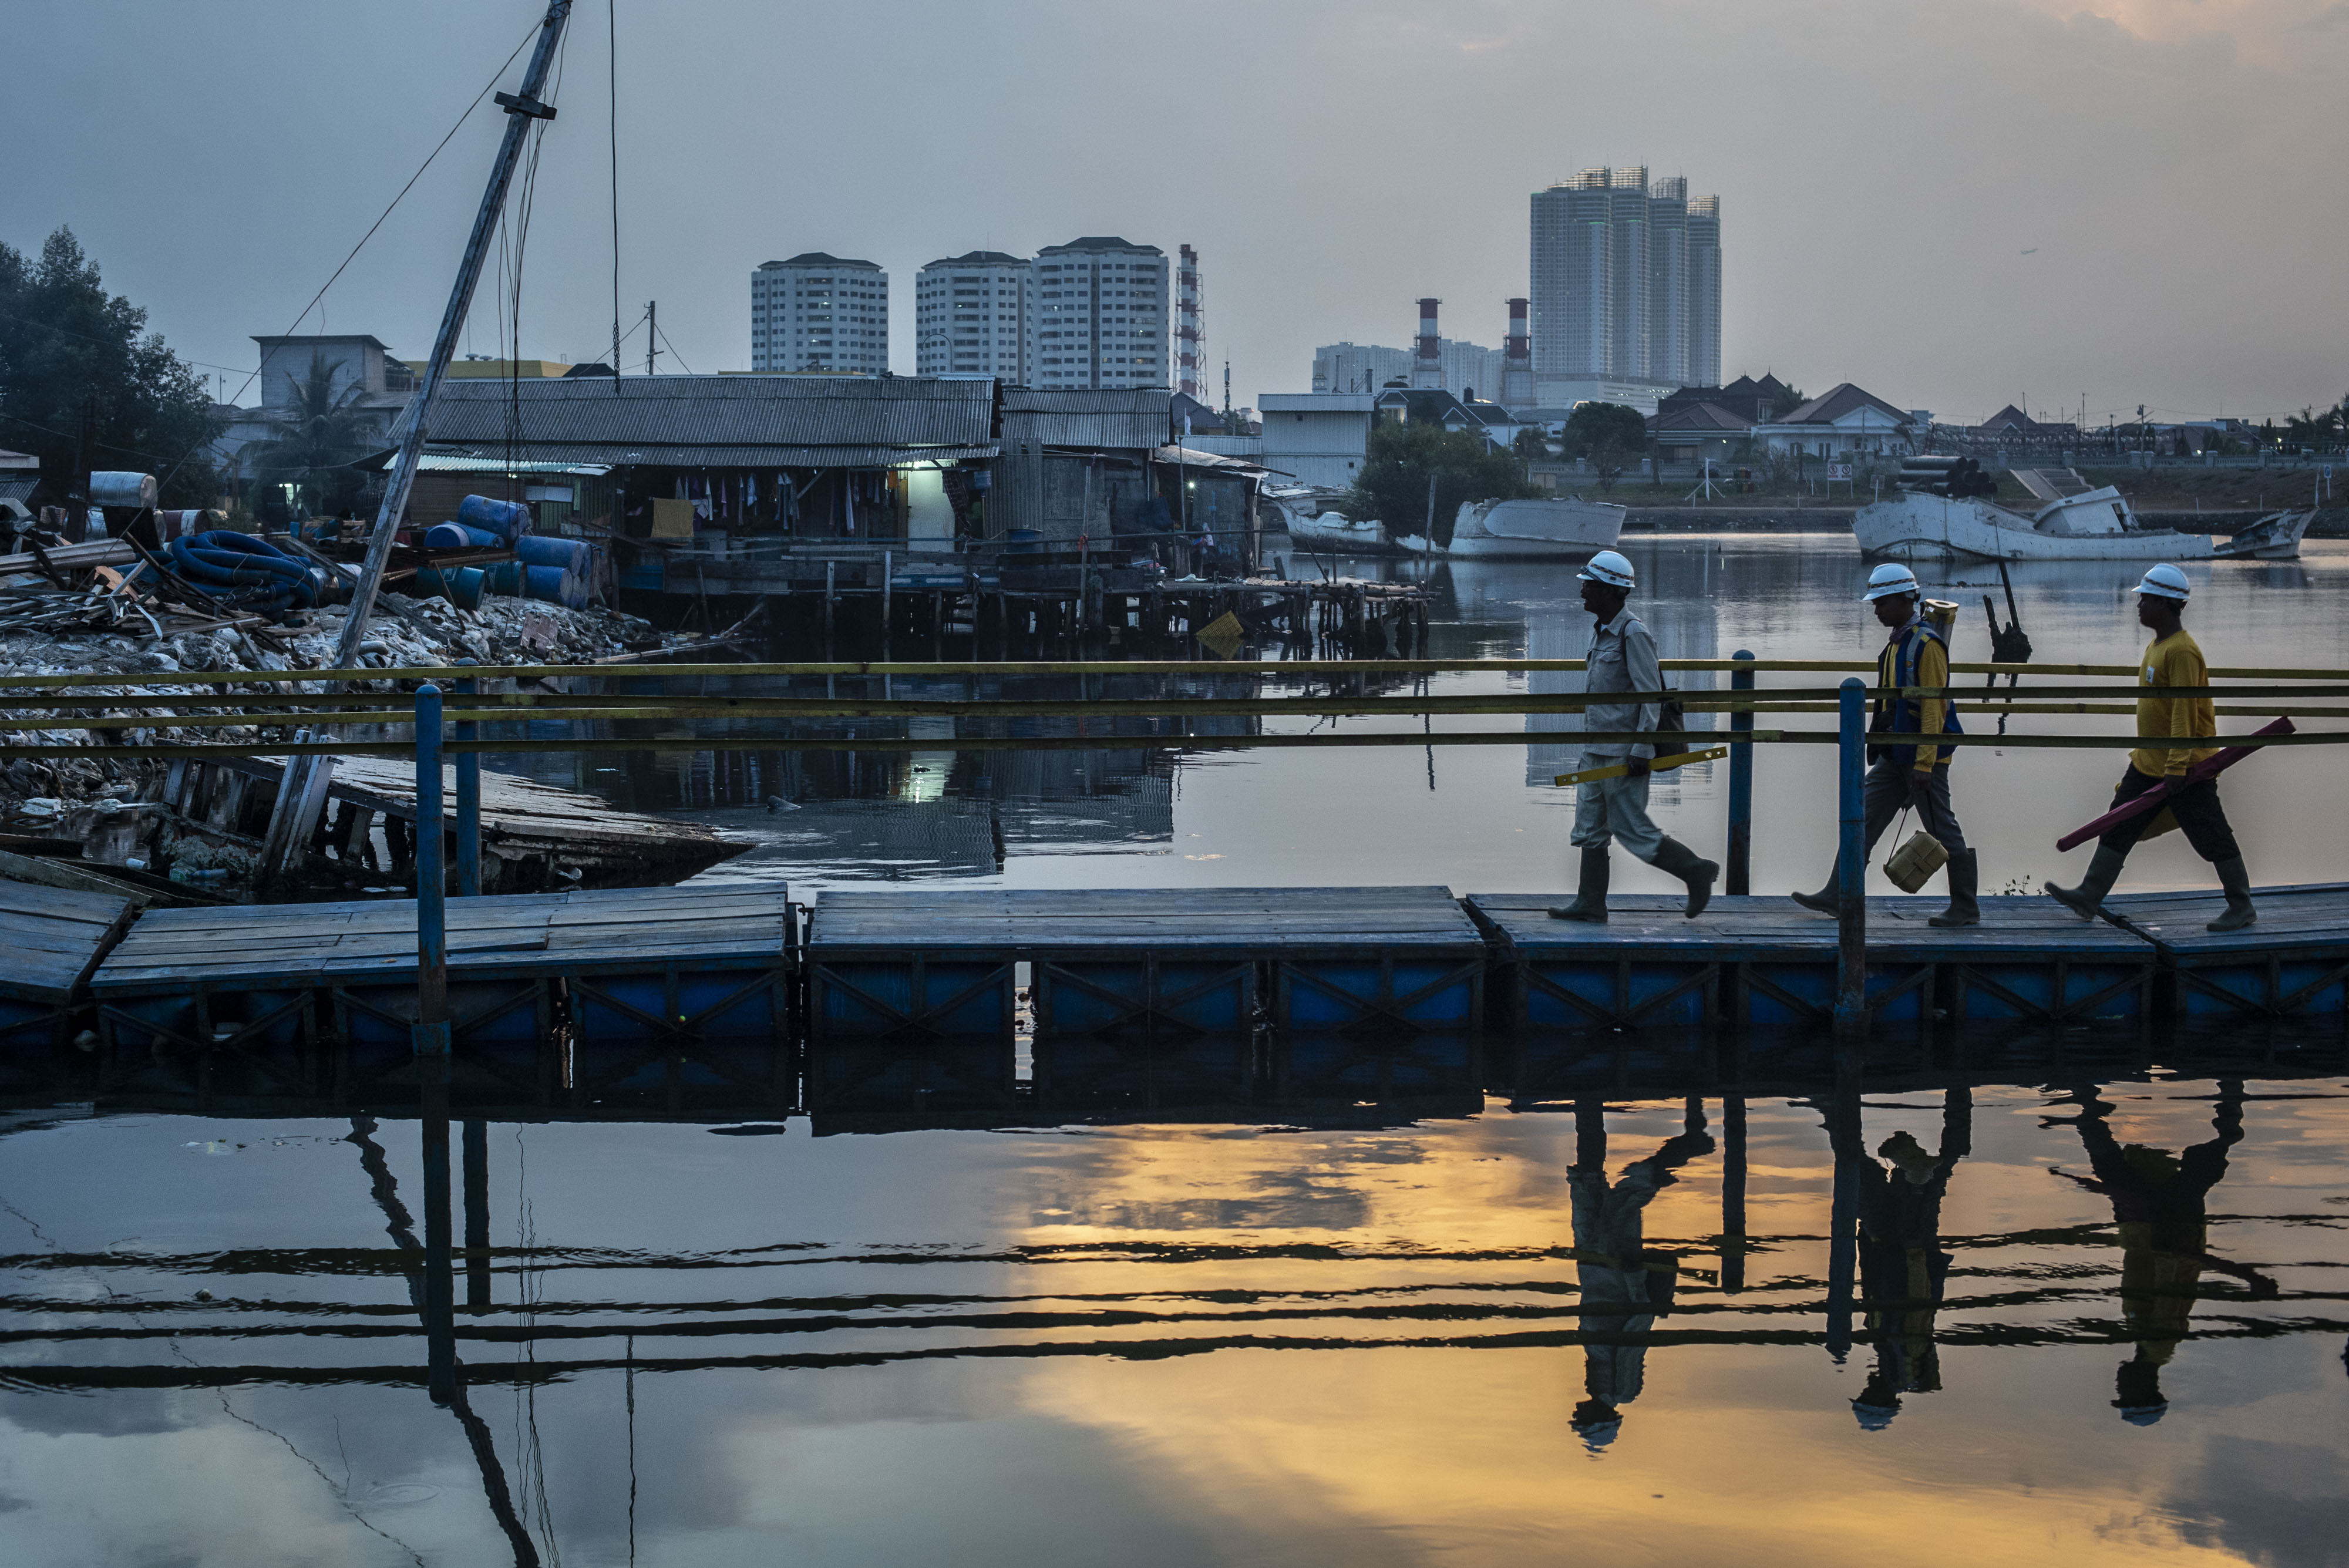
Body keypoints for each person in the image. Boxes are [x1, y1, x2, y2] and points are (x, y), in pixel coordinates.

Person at [2046, 563, 2256, 932]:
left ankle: (2242, 906)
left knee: (2210, 833)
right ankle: (2089, 896)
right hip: (2148, 762)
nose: (2139, 605)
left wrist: (2176, 766)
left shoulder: (2182, 651)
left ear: (2165, 603)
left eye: (2146, 599)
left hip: (2184, 767)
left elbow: (2184, 711)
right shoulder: (2158, 645)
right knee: (2118, 823)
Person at [2049, 1079, 2274, 1423]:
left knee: (2133, 1168)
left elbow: (2149, 1267)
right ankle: (2230, 1095)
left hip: (2150, 1225)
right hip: (2166, 1223)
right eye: (2125, 1392)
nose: (2118, 1384)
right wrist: (2245, 1275)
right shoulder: (2160, 1340)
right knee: (2182, 1165)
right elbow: (2176, 1269)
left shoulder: (2145, 1339)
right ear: (2145, 1388)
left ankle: (2089, 1102)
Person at [1792, 561, 1977, 927]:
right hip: (1894, 755)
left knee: (1942, 828)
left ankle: (1966, 906)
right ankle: (1838, 894)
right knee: (1861, 820)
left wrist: (1924, 765)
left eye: (1882, 603)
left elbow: (1934, 709)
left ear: (1905, 599)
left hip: (1922, 758)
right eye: (1875, 604)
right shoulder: (1897, 644)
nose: (1877, 610)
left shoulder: (1927, 646)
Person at [1549, 550, 1718, 923]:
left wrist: (1642, 749)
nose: (1583, 591)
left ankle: (1695, 870)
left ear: (1611, 591)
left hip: (1623, 752)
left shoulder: (1634, 634)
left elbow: (1651, 697)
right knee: (1589, 828)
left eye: (1590, 585)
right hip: (1595, 748)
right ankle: (1590, 903)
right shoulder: (1602, 633)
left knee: (1631, 828)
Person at [1567, 1097, 1715, 1449]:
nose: (1576, 1411)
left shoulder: (1596, 1384)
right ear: (1599, 1417)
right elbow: (1637, 1326)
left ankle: (1667, 1156)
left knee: (1588, 1191)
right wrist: (1634, 1278)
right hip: (1616, 1270)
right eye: (1582, 1418)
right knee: (1624, 1202)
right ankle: (1678, 1154)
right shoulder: (1623, 1389)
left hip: (1594, 1269)